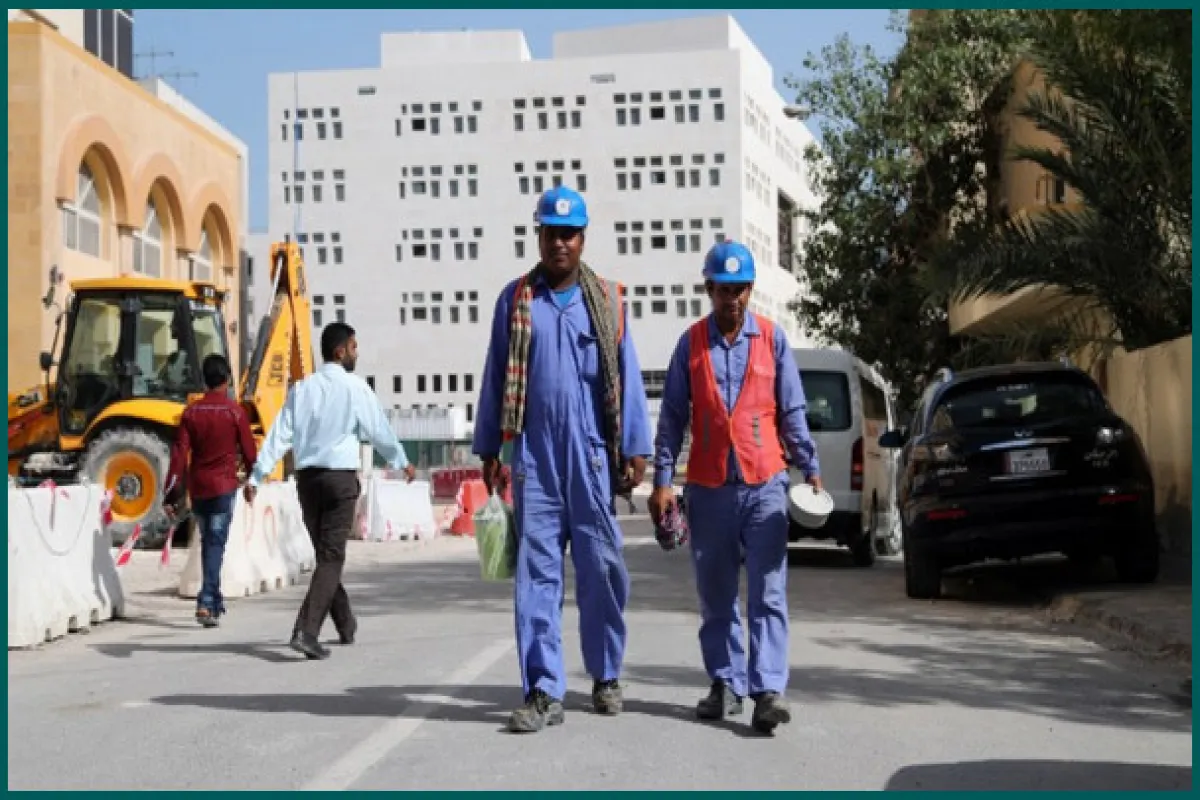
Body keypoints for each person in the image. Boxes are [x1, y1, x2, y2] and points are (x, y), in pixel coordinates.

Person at [474, 185, 653, 734]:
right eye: (551, 233)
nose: (559, 243)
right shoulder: (516, 300)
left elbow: (626, 375)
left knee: (602, 571)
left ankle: (604, 674)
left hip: (593, 458)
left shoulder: (608, 299)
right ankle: (544, 690)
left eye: (568, 234)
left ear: (582, 238)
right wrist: (490, 447)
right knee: (537, 576)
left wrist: (637, 448)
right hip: (533, 458)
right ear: (539, 235)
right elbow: (495, 373)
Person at [648, 240, 822, 735]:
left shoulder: (773, 340)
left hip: (764, 481)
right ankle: (725, 683)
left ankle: (767, 689)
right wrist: (663, 481)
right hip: (709, 486)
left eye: (741, 289)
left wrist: (808, 467)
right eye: (724, 290)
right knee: (717, 593)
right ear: (710, 289)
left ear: (750, 289)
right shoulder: (691, 344)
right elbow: (673, 419)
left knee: (768, 590)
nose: (733, 300)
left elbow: (791, 410)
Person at [244, 321, 416, 660]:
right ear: (340, 351)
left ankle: (345, 623)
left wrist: (257, 475)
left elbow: (280, 434)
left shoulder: (302, 390)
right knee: (332, 558)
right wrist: (401, 460)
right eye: (354, 347)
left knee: (326, 556)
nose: (357, 353)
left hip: (308, 482)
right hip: (339, 482)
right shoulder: (355, 388)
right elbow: (378, 429)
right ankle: (306, 631)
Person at [164, 353, 258, 628]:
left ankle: (214, 600)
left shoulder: (191, 413)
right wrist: (253, 481)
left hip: (199, 488)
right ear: (227, 379)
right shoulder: (234, 412)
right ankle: (206, 602)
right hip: (224, 486)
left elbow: (179, 455)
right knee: (215, 544)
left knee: (209, 542)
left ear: (204, 380)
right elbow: (250, 452)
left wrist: (172, 493)